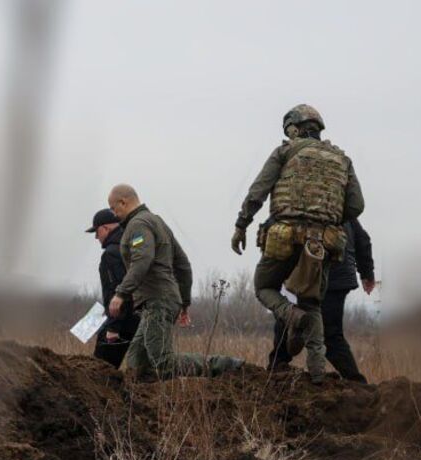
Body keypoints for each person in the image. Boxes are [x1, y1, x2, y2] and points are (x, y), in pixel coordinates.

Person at [231, 104, 364, 383]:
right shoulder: (342, 159)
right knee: (312, 303)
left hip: (284, 237)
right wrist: (326, 219)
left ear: (293, 128)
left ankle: (290, 315)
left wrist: (241, 225)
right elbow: (356, 205)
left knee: (263, 286)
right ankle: (317, 373)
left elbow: (258, 191)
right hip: (323, 243)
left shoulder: (285, 151)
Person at [107, 184, 243, 379]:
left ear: (123, 202)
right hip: (160, 301)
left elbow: (142, 259)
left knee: (164, 362)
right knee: (136, 363)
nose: (114, 214)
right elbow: (183, 264)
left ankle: (226, 366)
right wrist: (184, 302)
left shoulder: (138, 225)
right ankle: (140, 404)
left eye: (114, 208)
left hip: (157, 300)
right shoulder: (157, 222)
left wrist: (121, 293)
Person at [266, 216, 375, 382]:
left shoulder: (292, 201)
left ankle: (277, 368)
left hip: (307, 274)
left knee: (290, 317)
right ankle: (357, 383)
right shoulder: (339, 203)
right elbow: (363, 239)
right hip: (335, 276)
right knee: (330, 334)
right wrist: (367, 273)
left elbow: (272, 232)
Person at [86, 207, 139, 367]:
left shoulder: (111, 254)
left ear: (105, 228)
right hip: (140, 319)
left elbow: (117, 291)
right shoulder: (133, 244)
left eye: (96, 232)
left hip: (122, 323)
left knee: (101, 372)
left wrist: (113, 327)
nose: (96, 237)